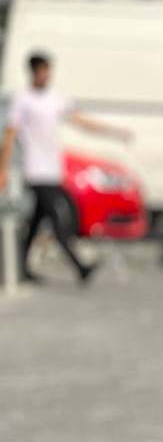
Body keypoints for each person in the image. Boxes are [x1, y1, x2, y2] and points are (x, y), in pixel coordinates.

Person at [0, 51, 134, 284]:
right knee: (57, 216)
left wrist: (114, 132)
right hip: (36, 172)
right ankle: (79, 266)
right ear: (33, 72)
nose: (46, 75)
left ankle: (22, 268)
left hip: (52, 170)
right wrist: (3, 169)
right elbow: (10, 136)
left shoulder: (55, 99)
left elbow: (82, 122)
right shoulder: (23, 100)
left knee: (37, 220)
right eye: (42, 71)